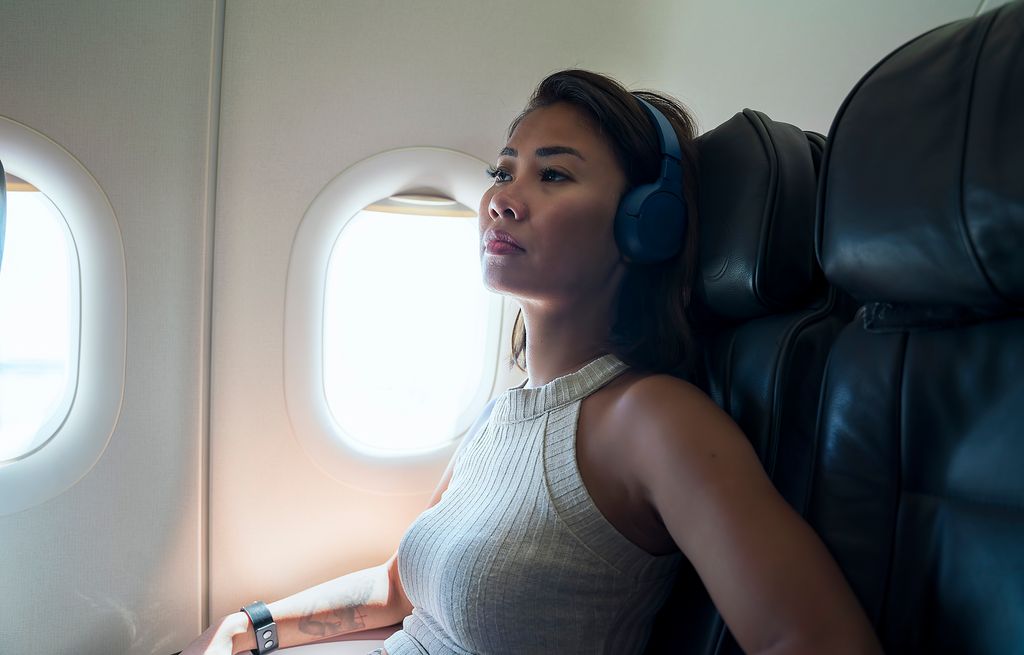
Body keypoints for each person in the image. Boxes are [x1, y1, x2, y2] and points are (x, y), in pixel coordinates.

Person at [181, 69, 882, 655]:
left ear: (646, 223)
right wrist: (250, 626)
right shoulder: (501, 417)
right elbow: (400, 588)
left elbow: (814, 640)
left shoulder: (651, 419)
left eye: (552, 175)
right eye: (502, 170)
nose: (502, 201)